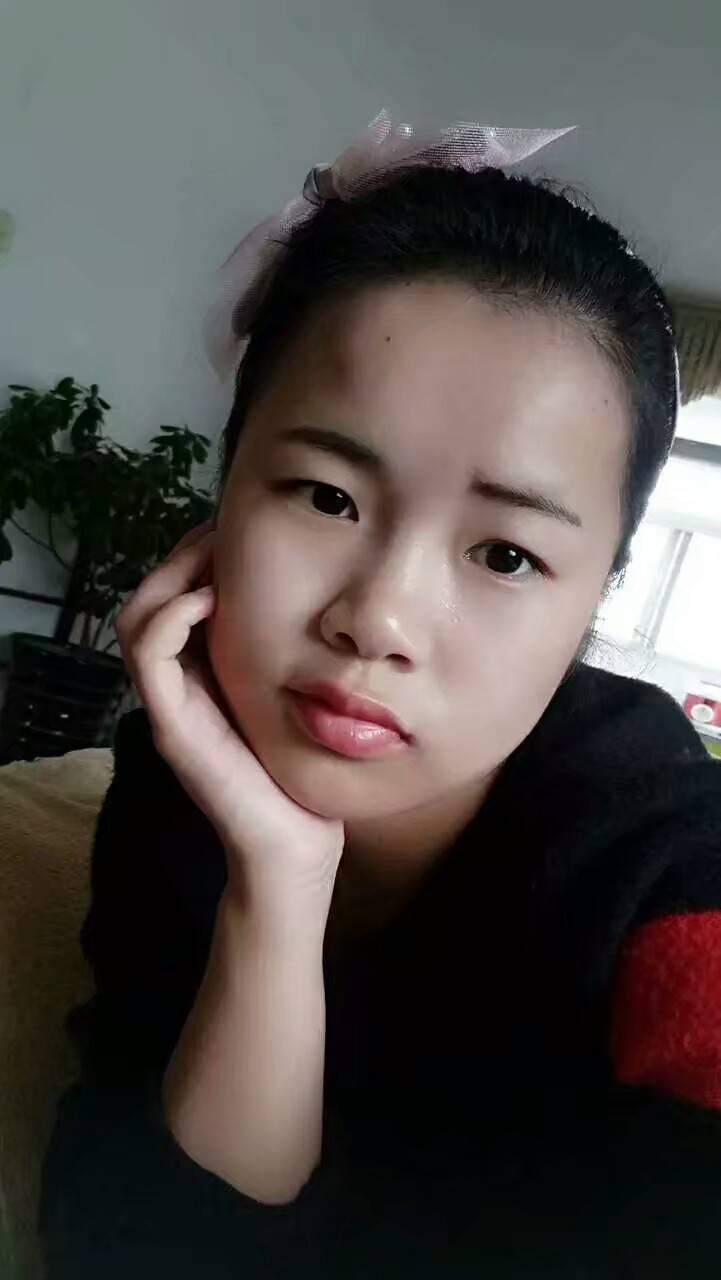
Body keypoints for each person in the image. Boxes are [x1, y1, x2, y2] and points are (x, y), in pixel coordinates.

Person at [39, 116, 721, 1279]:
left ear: (592, 603)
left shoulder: (670, 880)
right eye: (324, 495)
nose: (379, 618)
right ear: (221, 497)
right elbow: (128, 1233)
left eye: (506, 554)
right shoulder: (180, 781)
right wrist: (275, 884)